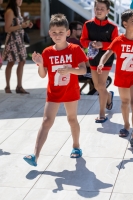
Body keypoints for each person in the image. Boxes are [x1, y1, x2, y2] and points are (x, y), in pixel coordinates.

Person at [23, 13, 88, 166]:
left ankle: (76, 146)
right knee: (46, 121)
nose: (57, 35)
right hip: (54, 92)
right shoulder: (47, 52)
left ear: (67, 33)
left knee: (72, 119)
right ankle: (35, 155)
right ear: (50, 33)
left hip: (71, 91)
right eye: (54, 32)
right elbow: (42, 75)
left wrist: (70, 69)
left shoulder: (75, 49)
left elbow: (83, 70)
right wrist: (39, 64)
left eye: (61, 32)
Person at [97, 9, 133, 140]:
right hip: (122, 76)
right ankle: (127, 125)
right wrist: (101, 63)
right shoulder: (119, 41)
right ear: (125, 24)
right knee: (125, 102)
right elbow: (107, 54)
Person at [80, 0, 118, 123]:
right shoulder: (88, 24)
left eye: (102, 8)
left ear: (108, 11)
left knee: (101, 85)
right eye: (97, 8)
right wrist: (90, 43)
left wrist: (102, 45)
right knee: (97, 86)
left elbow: (115, 45)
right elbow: (83, 40)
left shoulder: (113, 27)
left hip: (106, 59)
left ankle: (102, 114)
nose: (99, 10)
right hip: (92, 58)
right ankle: (109, 96)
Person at [2, 0, 33, 93]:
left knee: (22, 61)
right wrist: (21, 26)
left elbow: (18, 24)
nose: (21, 1)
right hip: (13, 39)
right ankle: (8, 86)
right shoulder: (10, 11)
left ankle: (19, 86)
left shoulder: (17, 9)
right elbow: (7, 29)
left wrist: (26, 24)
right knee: (11, 62)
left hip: (19, 39)